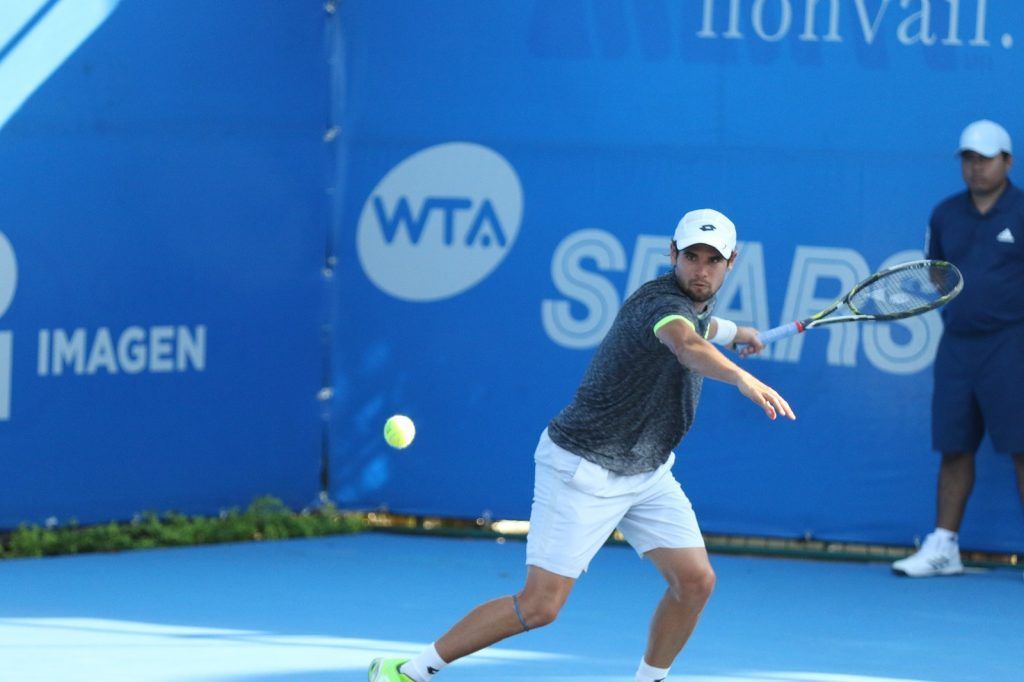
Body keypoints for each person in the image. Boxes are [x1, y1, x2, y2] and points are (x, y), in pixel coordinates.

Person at [369, 208, 796, 682]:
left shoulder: (696, 305)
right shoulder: (658, 306)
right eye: (691, 256)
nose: (700, 269)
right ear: (671, 254)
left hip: (646, 470)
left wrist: (740, 334)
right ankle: (407, 671)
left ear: (730, 262)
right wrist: (739, 377)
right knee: (539, 606)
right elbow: (686, 344)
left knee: (695, 582)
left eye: (712, 260)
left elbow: (704, 328)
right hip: (581, 467)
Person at [892, 119, 1024, 578]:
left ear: (1007, 162)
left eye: (985, 159)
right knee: (955, 447)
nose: (976, 168)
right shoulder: (945, 213)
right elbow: (936, 278)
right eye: (968, 159)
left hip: (1013, 346)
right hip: (958, 348)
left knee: (1022, 448)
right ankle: (944, 546)